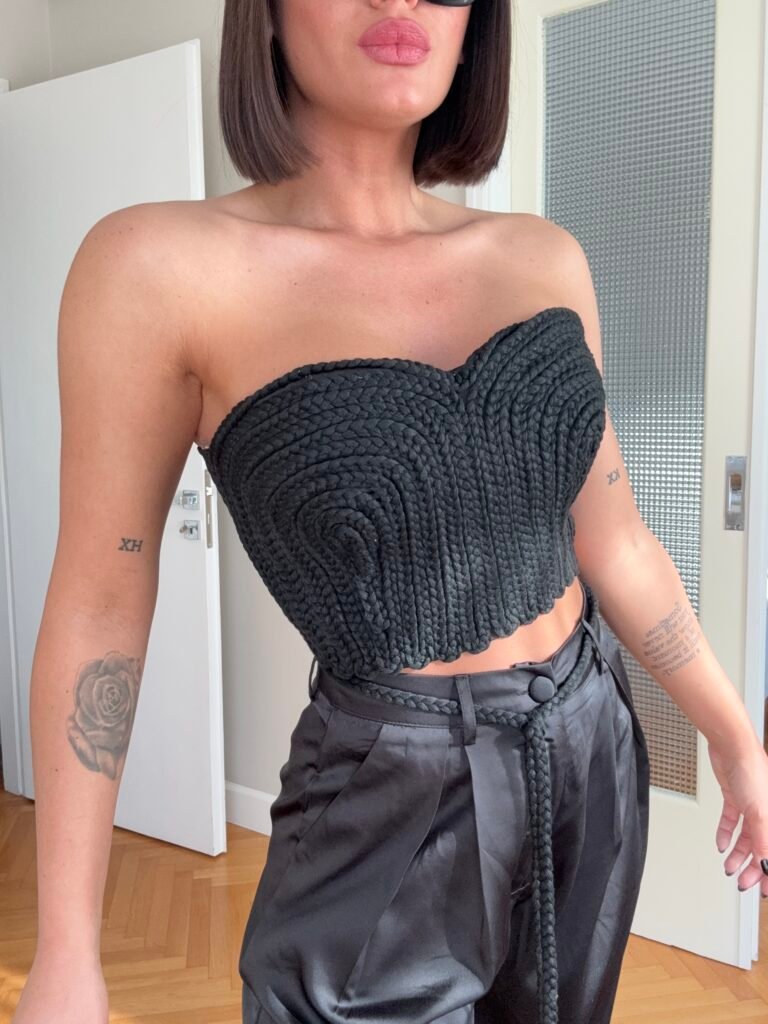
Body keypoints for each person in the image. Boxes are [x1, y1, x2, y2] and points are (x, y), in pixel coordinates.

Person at [14, 0, 768, 1022]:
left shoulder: (543, 258)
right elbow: (101, 605)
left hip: (591, 741)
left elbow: (616, 540)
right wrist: (67, 952)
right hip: (388, 789)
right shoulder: (155, 268)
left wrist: (733, 737)